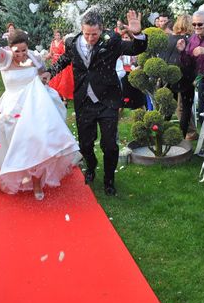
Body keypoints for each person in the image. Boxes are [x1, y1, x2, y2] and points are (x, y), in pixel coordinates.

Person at [0, 16, 81, 199]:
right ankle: (18, 176)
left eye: (24, 50)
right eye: (17, 51)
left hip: (35, 109)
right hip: (12, 110)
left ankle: (37, 183)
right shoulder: (4, 58)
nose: (20, 55)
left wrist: (44, 77)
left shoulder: (34, 58)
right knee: (16, 147)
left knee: (34, 143)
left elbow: (43, 72)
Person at [43, 10, 147, 196]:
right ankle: (91, 167)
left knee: (109, 145)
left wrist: (137, 34)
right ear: (82, 30)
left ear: (102, 30)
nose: (91, 38)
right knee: (85, 144)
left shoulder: (112, 41)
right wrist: (51, 72)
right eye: (87, 34)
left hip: (108, 101)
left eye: (95, 34)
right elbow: (66, 59)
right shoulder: (72, 42)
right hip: (84, 101)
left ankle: (109, 180)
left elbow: (135, 49)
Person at [48, 30, 74, 101]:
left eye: (58, 35)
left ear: (60, 36)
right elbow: (50, 53)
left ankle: (64, 96)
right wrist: (45, 57)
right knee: (54, 79)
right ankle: (55, 94)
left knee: (62, 80)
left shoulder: (63, 43)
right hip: (54, 61)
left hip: (61, 61)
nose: (57, 37)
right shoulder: (52, 43)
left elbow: (66, 53)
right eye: (56, 35)